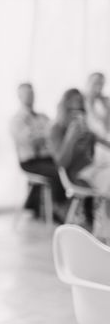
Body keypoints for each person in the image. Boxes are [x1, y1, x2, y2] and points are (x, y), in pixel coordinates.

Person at [48, 88, 110, 244]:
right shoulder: (56, 129)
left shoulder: (86, 129)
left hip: (94, 170)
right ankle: (104, 234)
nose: (77, 114)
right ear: (64, 109)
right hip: (76, 175)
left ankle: (103, 232)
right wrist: (70, 138)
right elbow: (61, 163)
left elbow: (104, 142)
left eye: (80, 109)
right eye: (72, 110)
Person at [10, 83, 66, 221]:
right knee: (57, 172)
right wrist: (46, 134)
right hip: (30, 162)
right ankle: (58, 208)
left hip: (47, 158)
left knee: (66, 166)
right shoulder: (16, 120)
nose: (30, 96)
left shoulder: (42, 116)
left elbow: (54, 132)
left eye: (31, 93)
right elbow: (29, 140)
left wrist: (43, 134)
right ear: (19, 96)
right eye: (26, 93)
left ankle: (67, 207)